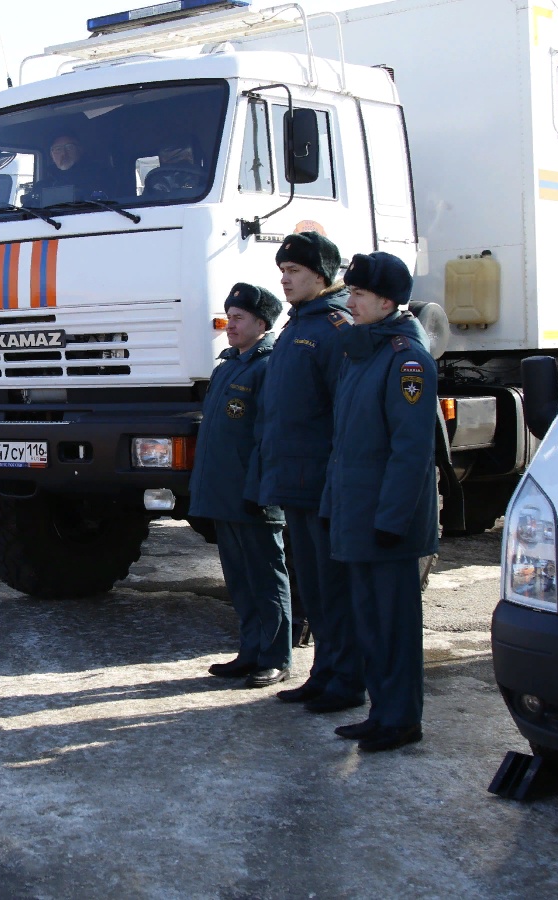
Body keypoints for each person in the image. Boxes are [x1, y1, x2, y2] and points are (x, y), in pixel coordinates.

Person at [323, 251, 438, 753]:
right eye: (350, 292)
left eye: (360, 294)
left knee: (393, 625)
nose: (351, 301)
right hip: (359, 514)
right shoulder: (362, 353)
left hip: (386, 523)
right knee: (369, 621)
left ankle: (401, 718)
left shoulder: (405, 359)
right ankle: (382, 711)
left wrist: (391, 519)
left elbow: (410, 450)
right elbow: (347, 444)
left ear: (387, 302)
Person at [252, 231, 369, 716]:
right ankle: (323, 673)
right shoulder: (299, 324)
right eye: (282, 271)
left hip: (321, 481)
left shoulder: (334, 328)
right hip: (294, 481)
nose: (284, 280)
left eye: (294, 271)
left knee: (334, 586)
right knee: (315, 587)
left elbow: (346, 411)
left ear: (320, 275)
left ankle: (347, 680)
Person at [192, 283, 292, 688]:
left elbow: (269, 438)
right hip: (225, 494)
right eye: (229, 316)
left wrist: (259, 492)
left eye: (238, 318)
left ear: (262, 324)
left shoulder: (269, 368)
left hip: (253, 496)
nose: (229, 325)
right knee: (239, 579)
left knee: (267, 577)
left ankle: (276, 657)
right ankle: (250, 651)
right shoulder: (228, 365)